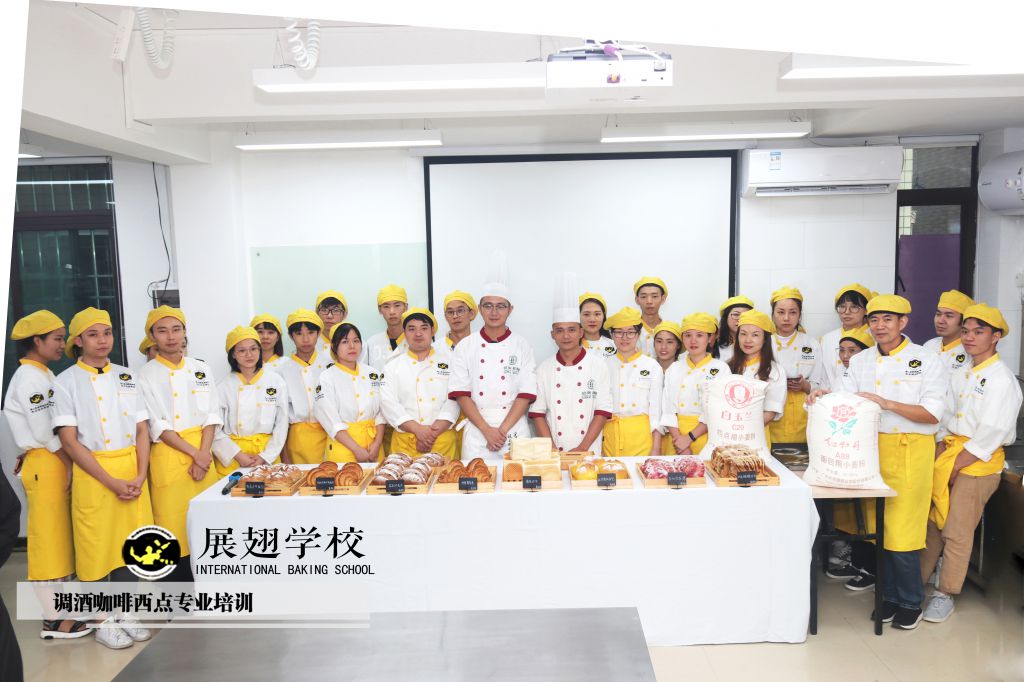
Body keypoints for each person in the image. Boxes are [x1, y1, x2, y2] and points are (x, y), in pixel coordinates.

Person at [811, 294, 947, 630]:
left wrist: (887, 403)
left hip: (911, 450)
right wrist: (823, 396)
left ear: (903, 322)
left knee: (904, 533)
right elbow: (845, 399)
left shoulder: (926, 359)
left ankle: (911, 601)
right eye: (874, 320)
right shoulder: (861, 360)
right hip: (870, 451)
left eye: (888, 319)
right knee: (878, 530)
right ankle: (887, 596)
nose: (880, 326)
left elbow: (932, 414)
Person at [53, 308, 153, 649]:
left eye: (107, 333)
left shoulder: (127, 377)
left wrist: (140, 473)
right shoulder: (65, 382)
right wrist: (111, 482)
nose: (102, 340)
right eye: (93, 334)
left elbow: (142, 429)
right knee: (94, 549)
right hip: (94, 474)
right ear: (78, 341)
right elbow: (69, 441)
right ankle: (102, 620)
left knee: (131, 547)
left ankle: (126, 612)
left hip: (131, 470)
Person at [920, 304, 1021, 624]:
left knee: (957, 530)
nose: (970, 338)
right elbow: (947, 414)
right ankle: (915, 584)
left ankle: (945, 593)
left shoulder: (1002, 379)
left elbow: (992, 433)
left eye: (979, 332)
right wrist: (940, 447)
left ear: (996, 337)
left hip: (979, 463)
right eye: (966, 331)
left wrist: (954, 465)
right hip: (951, 451)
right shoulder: (963, 371)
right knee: (933, 523)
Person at [3, 311, 88, 640]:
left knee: (61, 540)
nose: (62, 344)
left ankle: (63, 610)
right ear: (36, 341)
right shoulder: (29, 379)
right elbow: (44, 431)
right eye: (56, 338)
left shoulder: (45, 374)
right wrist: (69, 462)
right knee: (48, 542)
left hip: (53, 460)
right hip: (49, 462)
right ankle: (53, 619)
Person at [137, 305, 221, 568]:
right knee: (172, 527)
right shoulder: (145, 375)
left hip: (204, 453)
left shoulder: (201, 368)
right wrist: (196, 454)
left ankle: (210, 585)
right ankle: (177, 589)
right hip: (169, 455)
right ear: (152, 336)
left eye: (176, 329)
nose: (171, 336)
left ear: (185, 332)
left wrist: (203, 455)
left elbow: (212, 415)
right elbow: (158, 425)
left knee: (209, 525)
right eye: (162, 331)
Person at [447, 251, 537, 460]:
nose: (494, 312)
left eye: (500, 306)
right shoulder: (466, 346)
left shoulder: (522, 346)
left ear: (510, 309)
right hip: (478, 429)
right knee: (475, 478)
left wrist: (501, 431)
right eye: (488, 306)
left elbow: (526, 393)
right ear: (479, 309)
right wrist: (487, 430)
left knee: (516, 477)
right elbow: (461, 393)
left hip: (513, 429)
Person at [529, 279, 613, 453]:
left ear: (581, 332)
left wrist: (582, 448)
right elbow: (537, 413)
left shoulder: (598, 366)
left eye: (571, 330)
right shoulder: (544, 369)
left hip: (589, 450)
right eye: (559, 330)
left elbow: (602, 411)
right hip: (554, 450)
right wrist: (552, 449)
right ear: (552, 334)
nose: (566, 336)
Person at [380, 308, 460, 458]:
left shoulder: (450, 363)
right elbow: (388, 403)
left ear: (432, 331)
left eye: (424, 328)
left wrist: (432, 433)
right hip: (405, 443)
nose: (418, 334)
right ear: (404, 333)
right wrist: (417, 430)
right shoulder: (392, 366)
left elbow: (454, 399)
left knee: (444, 474)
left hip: (441, 440)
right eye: (411, 329)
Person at [212, 327, 289, 476]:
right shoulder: (223, 386)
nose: (249, 355)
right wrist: (237, 455)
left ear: (260, 350)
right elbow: (214, 428)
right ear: (233, 354)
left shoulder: (275, 381)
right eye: (242, 350)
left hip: (267, 455)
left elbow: (282, 423)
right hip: (234, 456)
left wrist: (265, 456)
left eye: (253, 349)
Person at [314, 322, 386, 463]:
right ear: (334, 346)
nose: (352, 346)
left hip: (374, 446)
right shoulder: (326, 378)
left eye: (356, 341)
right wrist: (356, 449)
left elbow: (381, 412)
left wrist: (377, 443)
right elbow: (330, 420)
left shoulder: (373, 374)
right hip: (344, 447)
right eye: (345, 342)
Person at [661, 313, 730, 457]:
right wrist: (679, 441)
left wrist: (689, 438)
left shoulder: (721, 369)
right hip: (676, 439)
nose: (693, 341)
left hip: (706, 436)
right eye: (688, 335)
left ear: (710, 338)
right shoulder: (674, 368)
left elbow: (717, 410)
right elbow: (668, 408)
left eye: (699, 335)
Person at [602, 307, 663, 456]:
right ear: (612, 335)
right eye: (619, 332)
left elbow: (656, 411)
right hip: (610, 436)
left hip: (641, 437)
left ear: (638, 334)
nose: (625, 337)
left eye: (630, 332)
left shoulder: (652, 366)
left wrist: (656, 448)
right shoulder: (603, 365)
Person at [769, 286, 823, 445]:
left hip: (803, 411)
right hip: (771, 411)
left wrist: (805, 385)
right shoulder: (764, 342)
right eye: (781, 312)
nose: (786, 318)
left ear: (799, 315)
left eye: (792, 312)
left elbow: (821, 384)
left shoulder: (811, 343)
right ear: (773, 314)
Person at [277, 309, 332, 464]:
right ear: (291, 336)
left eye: (311, 333)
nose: (306, 339)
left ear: (318, 333)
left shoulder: (330, 365)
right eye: (299, 334)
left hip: (330, 434)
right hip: (298, 441)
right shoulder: (281, 371)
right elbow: (281, 419)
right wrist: (284, 455)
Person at [726, 309, 786, 448]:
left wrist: (741, 430)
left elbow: (770, 412)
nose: (748, 340)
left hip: (756, 437)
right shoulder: (727, 367)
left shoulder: (775, 370)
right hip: (726, 435)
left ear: (765, 339)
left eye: (755, 335)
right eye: (743, 334)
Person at [820, 284, 872, 391]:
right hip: (830, 398)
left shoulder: (875, 337)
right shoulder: (827, 339)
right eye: (842, 307)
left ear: (866, 310)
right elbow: (823, 377)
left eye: (854, 307)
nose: (847, 312)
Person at [923, 289, 975, 373]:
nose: (940, 321)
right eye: (938, 314)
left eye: (949, 316)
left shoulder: (970, 352)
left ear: (964, 321)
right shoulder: (929, 345)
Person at [365, 284, 410, 370]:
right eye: (386, 306)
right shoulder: (371, 343)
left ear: (406, 307)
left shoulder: (416, 340)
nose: (392, 311)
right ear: (379, 309)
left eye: (397, 305)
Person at [633, 276, 668, 358]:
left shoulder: (669, 330)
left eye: (654, 296)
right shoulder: (629, 331)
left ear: (663, 299)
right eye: (643, 296)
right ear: (637, 300)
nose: (649, 301)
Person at [313, 290, 349, 361]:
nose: (329, 316)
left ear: (345, 314)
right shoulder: (308, 342)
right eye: (324, 310)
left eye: (336, 310)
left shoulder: (355, 343)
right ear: (317, 313)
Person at [717, 295, 755, 363]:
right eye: (736, 315)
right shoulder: (714, 342)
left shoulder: (756, 343)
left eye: (745, 316)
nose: (740, 319)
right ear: (726, 317)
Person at [579, 292, 616, 357]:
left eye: (597, 314)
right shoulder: (571, 346)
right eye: (586, 314)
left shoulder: (613, 345)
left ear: (603, 316)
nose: (592, 319)